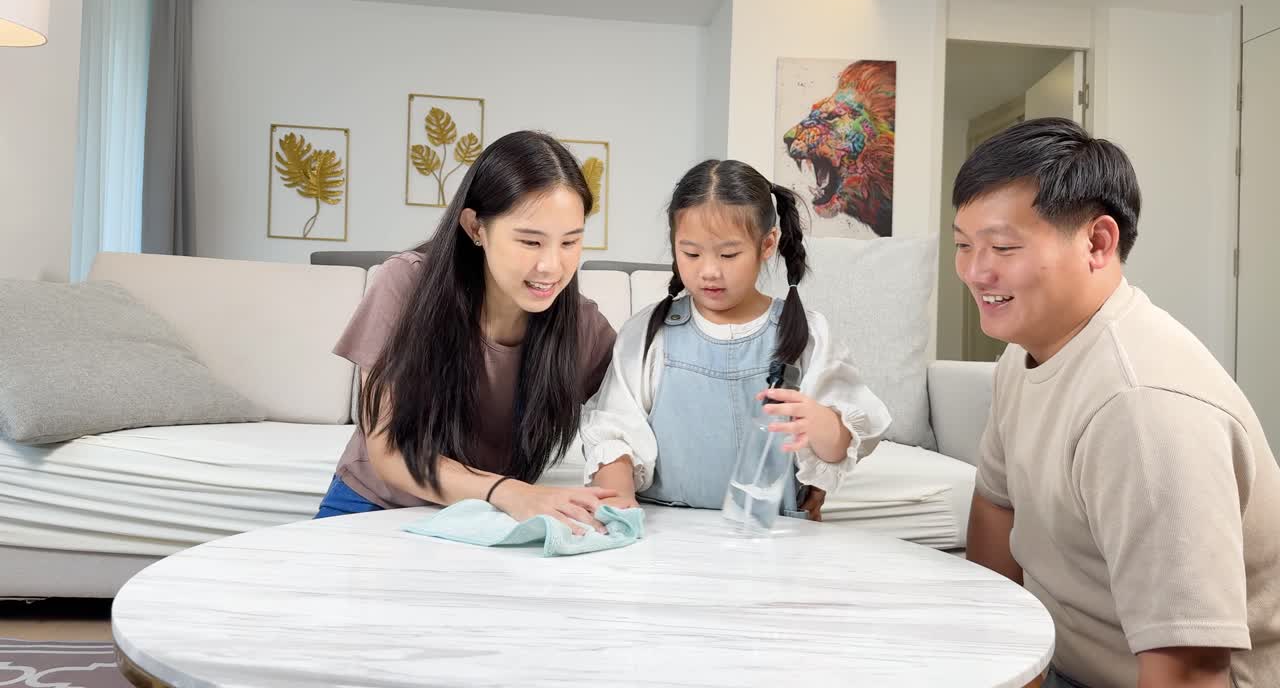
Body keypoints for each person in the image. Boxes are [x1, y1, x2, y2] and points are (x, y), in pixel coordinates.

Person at [955, 118, 1280, 688]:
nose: (977, 271)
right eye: (963, 244)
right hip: (1059, 658)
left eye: (1003, 246)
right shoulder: (1026, 351)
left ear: (1098, 243)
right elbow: (995, 504)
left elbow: (1190, 670)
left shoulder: (1144, 407)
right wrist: (1000, 663)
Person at [315, 130, 619, 535]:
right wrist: (509, 492)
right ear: (476, 227)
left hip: (486, 518)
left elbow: (631, 417)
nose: (551, 266)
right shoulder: (405, 285)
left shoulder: (582, 325)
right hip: (374, 504)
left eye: (570, 242)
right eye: (530, 241)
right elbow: (387, 452)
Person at [580, 158, 891, 521]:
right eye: (691, 253)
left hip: (769, 531)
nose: (709, 271)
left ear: (767, 244)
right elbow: (615, 434)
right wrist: (618, 503)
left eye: (729, 254)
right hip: (666, 526)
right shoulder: (651, 330)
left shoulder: (806, 333)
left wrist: (822, 423)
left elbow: (845, 443)